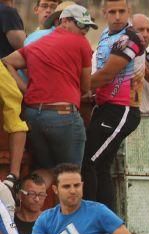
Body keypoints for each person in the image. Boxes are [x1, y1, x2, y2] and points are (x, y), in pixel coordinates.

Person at [3, 4, 92, 186]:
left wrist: (26, 90)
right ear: (64, 21)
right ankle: (73, 214)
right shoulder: (81, 42)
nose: (85, 31)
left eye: (87, 27)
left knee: (47, 169)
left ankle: (28, 195)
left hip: (34, 116)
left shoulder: (37, 44)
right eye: (81, 26)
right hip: (63, 116)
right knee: (72, 175)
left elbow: (6, 62)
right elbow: (86, 85)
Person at [84, 0, 145, 211]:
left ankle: (90, 220)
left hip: (122, 108)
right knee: (100, 167)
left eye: (122, 11)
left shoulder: (130, 37)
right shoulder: (105, 35)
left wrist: (72, 87)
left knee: (89, 162)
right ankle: (108, 229)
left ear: (129, 12)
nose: (117, 16)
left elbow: (107, 75)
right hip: (106, 106)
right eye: (112, 12)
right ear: (104, 13)